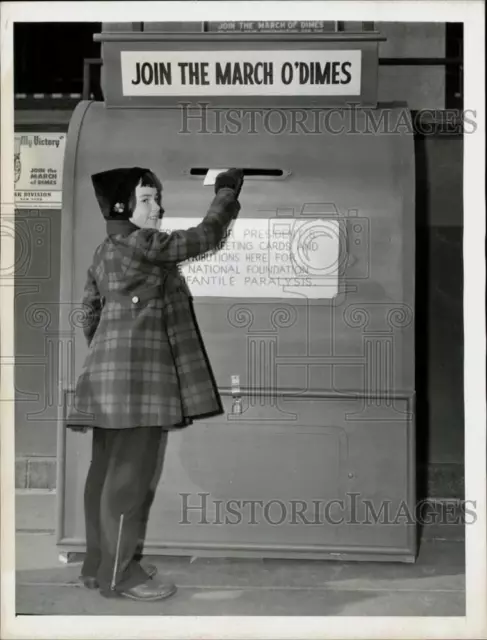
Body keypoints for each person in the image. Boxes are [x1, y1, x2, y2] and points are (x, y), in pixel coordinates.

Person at [66, 166, 244, 602]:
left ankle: (99, 565)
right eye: (147, 198)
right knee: (130, 481)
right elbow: (204, 237)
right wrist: (225, 193)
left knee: (104, 475)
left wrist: (112, 352)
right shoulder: (141, 243)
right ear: (123, 205)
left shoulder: (103, 251)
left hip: (104, 381)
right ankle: (120, 576)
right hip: (137, 386)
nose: (157, 207)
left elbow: (88, 313)